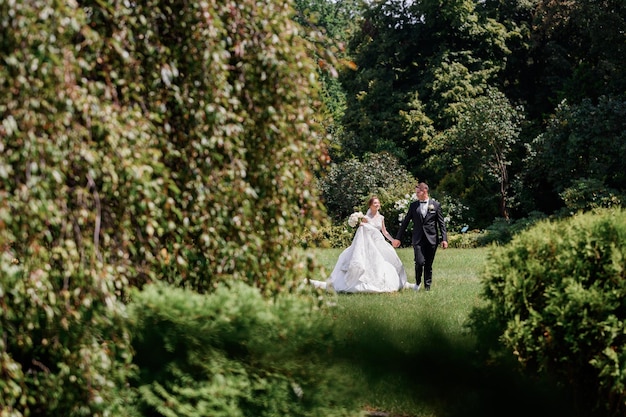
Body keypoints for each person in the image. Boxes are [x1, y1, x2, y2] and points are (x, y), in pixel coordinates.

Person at [310, 196, 411, 293]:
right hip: (368, 244)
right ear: (370, 205)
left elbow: (384, 232)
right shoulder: (366, 218)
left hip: (378, 243)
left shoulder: (381, 218)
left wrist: (393, 240)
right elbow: (362, 232)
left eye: (378, 203)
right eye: (375, 203)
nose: (377, 204)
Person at [392, 182, 448, 291]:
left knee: (428, 264)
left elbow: (441, 224)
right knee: (419, 261)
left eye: (418, 192)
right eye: (416, 192)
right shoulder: (413, 206)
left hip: (432, 239)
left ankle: (427, 287)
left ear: (425, 191)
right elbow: (405, 222)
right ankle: (417, 283)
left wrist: (444, 239)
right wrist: (398, 238)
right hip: (418, 239)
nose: (416, 194)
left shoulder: (435, 205)